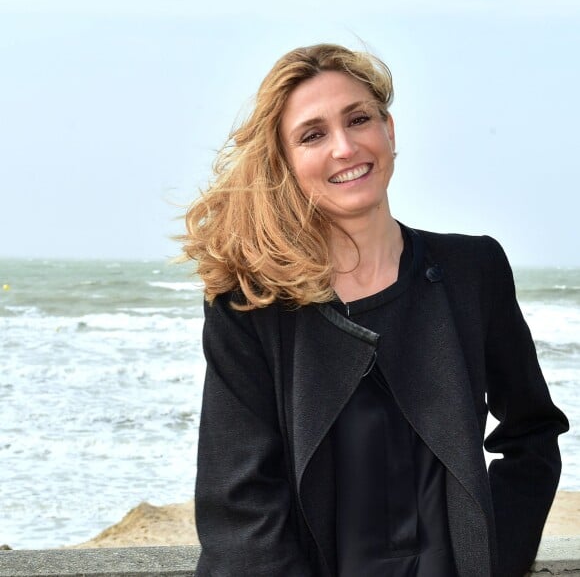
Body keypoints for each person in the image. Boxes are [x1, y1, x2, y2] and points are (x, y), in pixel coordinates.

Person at [181, 43, 568, 577]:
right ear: (286, 163)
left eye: (358, 119)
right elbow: (239, 503)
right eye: (313, 135)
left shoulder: (472, 269)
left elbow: (531, 433)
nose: (344, 146)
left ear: (389, 129)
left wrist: (495, 558)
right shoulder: (250, 301)